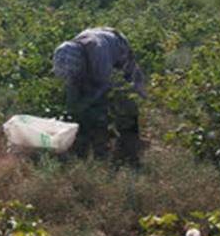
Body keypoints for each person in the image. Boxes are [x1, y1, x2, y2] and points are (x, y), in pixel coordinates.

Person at [51, 27, 148, 161]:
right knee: (81, 93)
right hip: (95, 44)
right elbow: (71, 84)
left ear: (81, 63)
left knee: (124, 97)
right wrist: (71, 110)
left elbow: (104, 87)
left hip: (117, 48)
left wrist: (86, 105)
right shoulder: (69, 52)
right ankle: (84, 140)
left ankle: (129, 144)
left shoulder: (99, 55)